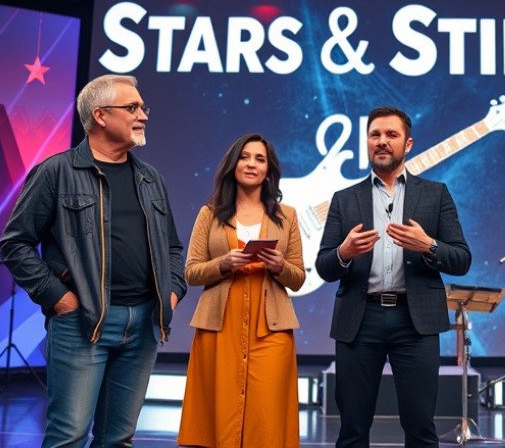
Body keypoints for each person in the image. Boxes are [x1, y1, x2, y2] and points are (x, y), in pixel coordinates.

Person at [0, 74, 187, 447]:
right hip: (82, 322)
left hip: (144, 322)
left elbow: (173, 249)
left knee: (118, 439)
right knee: (68, 436)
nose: (143, 115)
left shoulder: (151, 179)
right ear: (100, 115)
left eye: (142, 107)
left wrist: (173, 292)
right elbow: (15, 244)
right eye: (132, 107)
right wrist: (59, 298)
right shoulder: (57, 172)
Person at [316, 106, 472, 448]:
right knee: (352, 429)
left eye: (391, 135)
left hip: (415, 322)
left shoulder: (436, 194)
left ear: (409, 144)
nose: (382, 142)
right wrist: (344, 252)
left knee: (420, 427)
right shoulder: (344, 199)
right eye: (375, 135)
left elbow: (461, 259)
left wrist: (428, 245)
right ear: (367, 143)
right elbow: (324, 267)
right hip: (360, 320)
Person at [178, 133, 305, 448]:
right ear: (233, 164)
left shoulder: (287, 215)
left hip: (271, 328)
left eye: (260, 159)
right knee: (219, 417)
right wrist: (224, 263)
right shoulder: (210, 214)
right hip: (220, 327)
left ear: (269, 169)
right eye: (245, 157)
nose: (251, 164)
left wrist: (279, 266)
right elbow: (191, 272)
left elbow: (298, 277)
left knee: (268, 419)